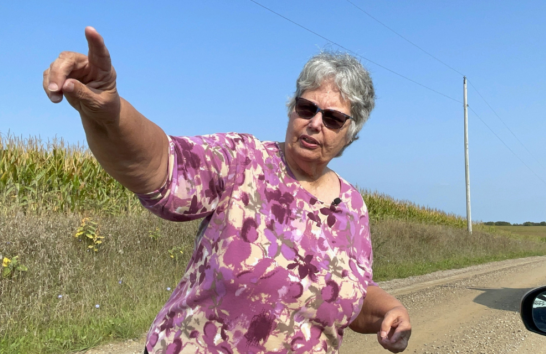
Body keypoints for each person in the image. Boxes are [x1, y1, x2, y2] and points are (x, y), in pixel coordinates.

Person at [43, 26, 411, 353]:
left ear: (351, 133)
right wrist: (110, 112)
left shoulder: (352, 208)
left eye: (332, 118)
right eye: (306, 108)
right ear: (291, 110)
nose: (315, 123)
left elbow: (352, 296)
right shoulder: (242, 161)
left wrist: (391, 310)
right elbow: (160, 165)